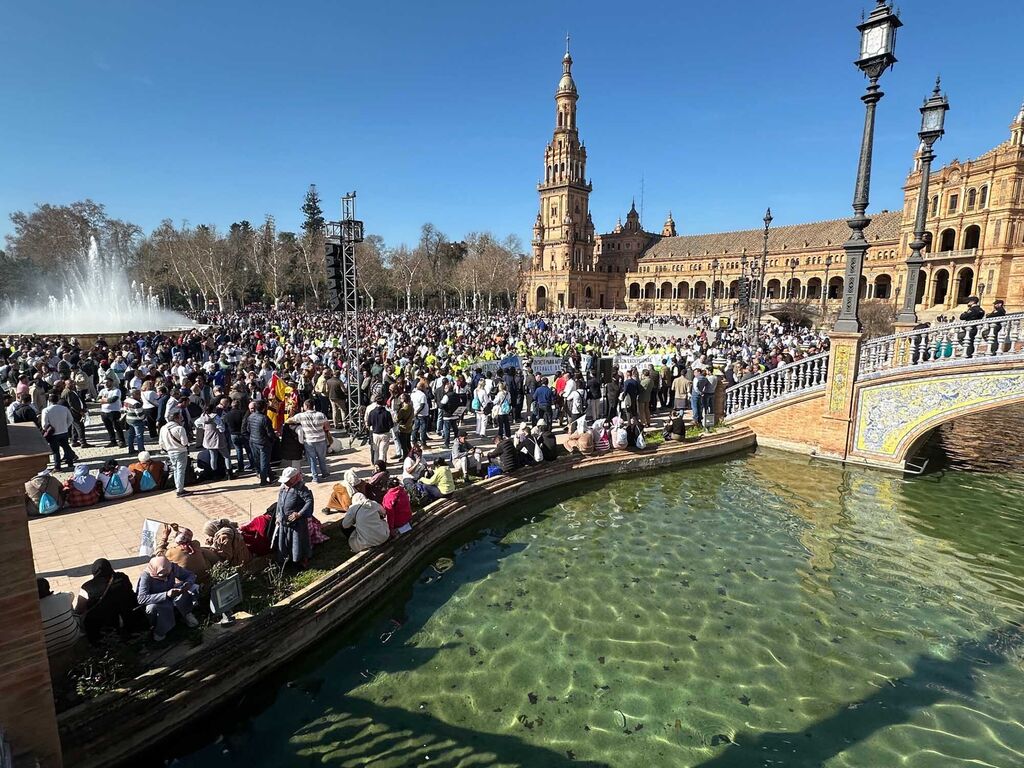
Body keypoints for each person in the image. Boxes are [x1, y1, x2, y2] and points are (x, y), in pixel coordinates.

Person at [135, 555, 199, 642]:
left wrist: (188, 584)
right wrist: (166, 595)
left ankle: (186, 613)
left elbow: (190, 575)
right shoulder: (146, 576)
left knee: (193, 587)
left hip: (173, 594)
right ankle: (160, 630)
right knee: (153, 608)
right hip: (158, 600)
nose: (165, 578)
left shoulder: (171, 567)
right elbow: (141, 598)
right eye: (162, 576)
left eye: (167, 575)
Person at [76, 558, 141, 644]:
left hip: (101, 626)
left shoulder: (87, 587)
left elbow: (79, 610)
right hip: (126, 619)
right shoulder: (122, 578)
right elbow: (130, 593)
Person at [272, 466, 315, 567]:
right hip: (284, 521)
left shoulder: (301, 488)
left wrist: (299, 514)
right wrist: (278, 515)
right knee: (284, 541)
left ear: (294, 478)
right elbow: (279, 502)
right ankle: (286, 560)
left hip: (297, 523)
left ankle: (301, 559)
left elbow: (309, 501)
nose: (286, 483)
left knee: (299, 541)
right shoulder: (283, 487)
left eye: (288, 480)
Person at [37, 577, 82, 664]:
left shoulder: (32, 610)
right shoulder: (63, 597)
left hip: (48, 649)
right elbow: (71, 594)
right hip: (73, 638)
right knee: (70, 610)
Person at [288, 398, 330, 483]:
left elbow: (289, 420)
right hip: (321, 439)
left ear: (306, 406)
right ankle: (324, 473)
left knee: (312, 459)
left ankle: (315, 477)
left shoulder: (301, 416)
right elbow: (327, 427)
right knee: (322, 458)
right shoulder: (321, 415)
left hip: (309, 440)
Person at [195, 404, 234, 480]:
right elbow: (221, 427)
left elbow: (196, 423)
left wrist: (203, 427)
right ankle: (230, 474)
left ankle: (215, 475)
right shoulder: (215, 416)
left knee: (213, 457)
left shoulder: (203, 416)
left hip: (208, 438)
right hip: (217, 437)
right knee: (226, 456)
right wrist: (220, 429)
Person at [159, 411, 192, 497]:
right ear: (176, 418)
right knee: (181, 470)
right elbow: (184, 442)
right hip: (180, 451)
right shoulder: (180, 428)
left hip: (170, 452)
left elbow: (161, 442)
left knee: (175, 469)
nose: (181, 419)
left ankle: (178, 487)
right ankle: (180, 490)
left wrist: (168, 448)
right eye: (180, 417)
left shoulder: (163, 428)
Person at [41, 392, 77, 471]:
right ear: (57, 400)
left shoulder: (46, 410)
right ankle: (70, 463)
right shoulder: (64, 408)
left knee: (55, 450)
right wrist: (66, 426)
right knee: (66, 447)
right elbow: (71, 419)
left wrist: (48, 429)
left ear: (49, 401)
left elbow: (44, 424)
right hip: (64, 431)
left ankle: (57, 467)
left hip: (53, 433)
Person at [247, 400, 278, 486]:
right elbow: (270, 433)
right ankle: (263, 481)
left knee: (262, 461)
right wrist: (274, 438)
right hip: (263, 442)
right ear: (264, 408)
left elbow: (248, 429)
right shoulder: (265, 418)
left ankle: (271, 477)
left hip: (253, 441)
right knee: (264, 462)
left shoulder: (250, 416)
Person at [98, 375, 126, 448]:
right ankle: (113, 441)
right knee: (109, 428)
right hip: (104, 412)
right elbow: (97, 399)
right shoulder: (102, 391)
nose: (106, 384)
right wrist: (106, 400)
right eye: (104, 383)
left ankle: (122, 441)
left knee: (117, 427)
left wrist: (103, 400)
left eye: (107, 382)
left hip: (114, 411)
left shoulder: (116, 390)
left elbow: (113, 400)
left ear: (111, 382)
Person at [365, 395, 394, 464]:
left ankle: (376, 465)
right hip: (385, 433)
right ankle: (381, 466)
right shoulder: (387, 413)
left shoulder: (372, 412)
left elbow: (369, 423)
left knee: (376, 451)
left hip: (375, 433)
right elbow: (391, 425)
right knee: (382, 452)